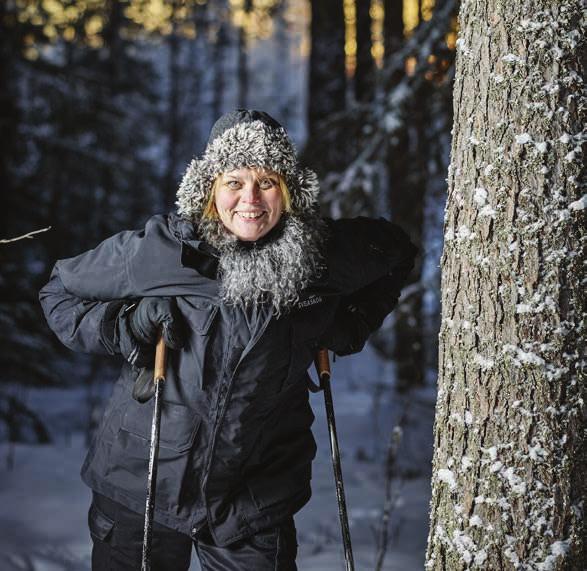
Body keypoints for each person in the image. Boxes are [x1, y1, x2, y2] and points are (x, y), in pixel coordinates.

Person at [39, 109, 418, 570]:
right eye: (234, 181)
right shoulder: (165, 251)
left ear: (290, 191)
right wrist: (127, 326)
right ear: (209, 189)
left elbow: (396, 252)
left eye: (268, 182)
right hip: (144, 482)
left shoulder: (322, 259)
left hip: (255, 500)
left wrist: (348, 324)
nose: (250, 199)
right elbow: (59, 292)